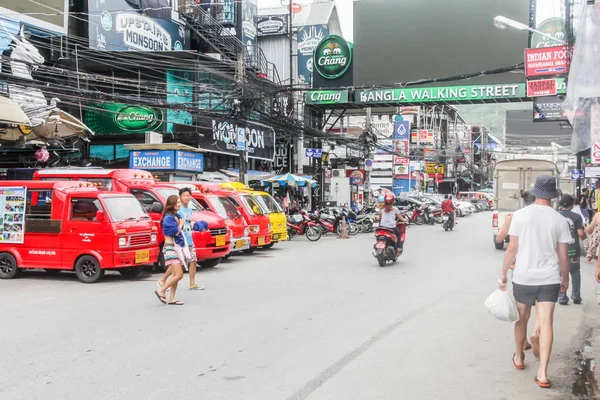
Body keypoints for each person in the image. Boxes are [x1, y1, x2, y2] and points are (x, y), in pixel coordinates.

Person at [499, 175, 571, 389]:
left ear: (536, 192)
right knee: (547, 322)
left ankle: (520, 358)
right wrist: (564, 279)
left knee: (521, 319)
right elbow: (563, 257)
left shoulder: (520, 216)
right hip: (549, 278)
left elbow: (512, 249)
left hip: (523, 277)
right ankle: (543, 373)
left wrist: (503, 273)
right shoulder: (560, 219)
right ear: (553, 196)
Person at [158, 187, 205, 291]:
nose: (186, 198)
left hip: (188, 238)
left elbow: (188, 224)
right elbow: (176, 229)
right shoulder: (176, 212)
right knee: (177, 265)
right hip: (179, 241)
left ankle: (191, 284)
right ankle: (164, 282)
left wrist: (198, 226)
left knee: (192, 261)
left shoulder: (189, 210)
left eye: (188, 196)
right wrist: (181, 226)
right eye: (184, 196)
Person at [155, 195, 187, 306]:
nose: (179, 204)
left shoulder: (175, 215)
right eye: (177, 202)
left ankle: (172, 298)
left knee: (175, 274)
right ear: (172, 204)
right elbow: (174, 232)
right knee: (179, 274)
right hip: (170, 248)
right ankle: (162, 290)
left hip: (175, 247)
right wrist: (181, 225)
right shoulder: (168, 218)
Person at [558, 194, 586, 305]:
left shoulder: (556, 215)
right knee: (575, 272)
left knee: (561, 273)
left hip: (559, 249)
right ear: (572, 204)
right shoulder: (576, 217)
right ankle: (576, 296)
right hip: (573, 249)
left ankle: (562, 296)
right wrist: (584, 236)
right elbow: (580, 233)